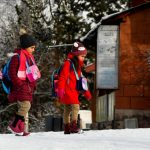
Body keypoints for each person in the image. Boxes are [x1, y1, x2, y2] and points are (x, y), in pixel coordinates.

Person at [7, 31, 41, 136]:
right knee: (26, 106)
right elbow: (12, 72)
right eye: (32, 47)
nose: (33, 50)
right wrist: (20, 84)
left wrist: (33, 84)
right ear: (25, 47)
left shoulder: (30, 58)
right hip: (20, 87)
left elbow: (31, 73)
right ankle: (14, 125)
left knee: (25, 109)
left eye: (34, 47)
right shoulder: (17, 57)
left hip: (27, 88)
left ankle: (21, 130)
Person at [57, 42, 92, 134]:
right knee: (75, 106)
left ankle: (67, 127)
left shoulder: (77, 66)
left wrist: (87, 93)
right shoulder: (68, 63)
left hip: (72, 90)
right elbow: (63, 76)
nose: (83, 59)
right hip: (68, 90)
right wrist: (60, 89)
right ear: (76, 55)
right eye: (82, 56)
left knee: (68, 108)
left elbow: (81, 81)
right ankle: (73, 126)